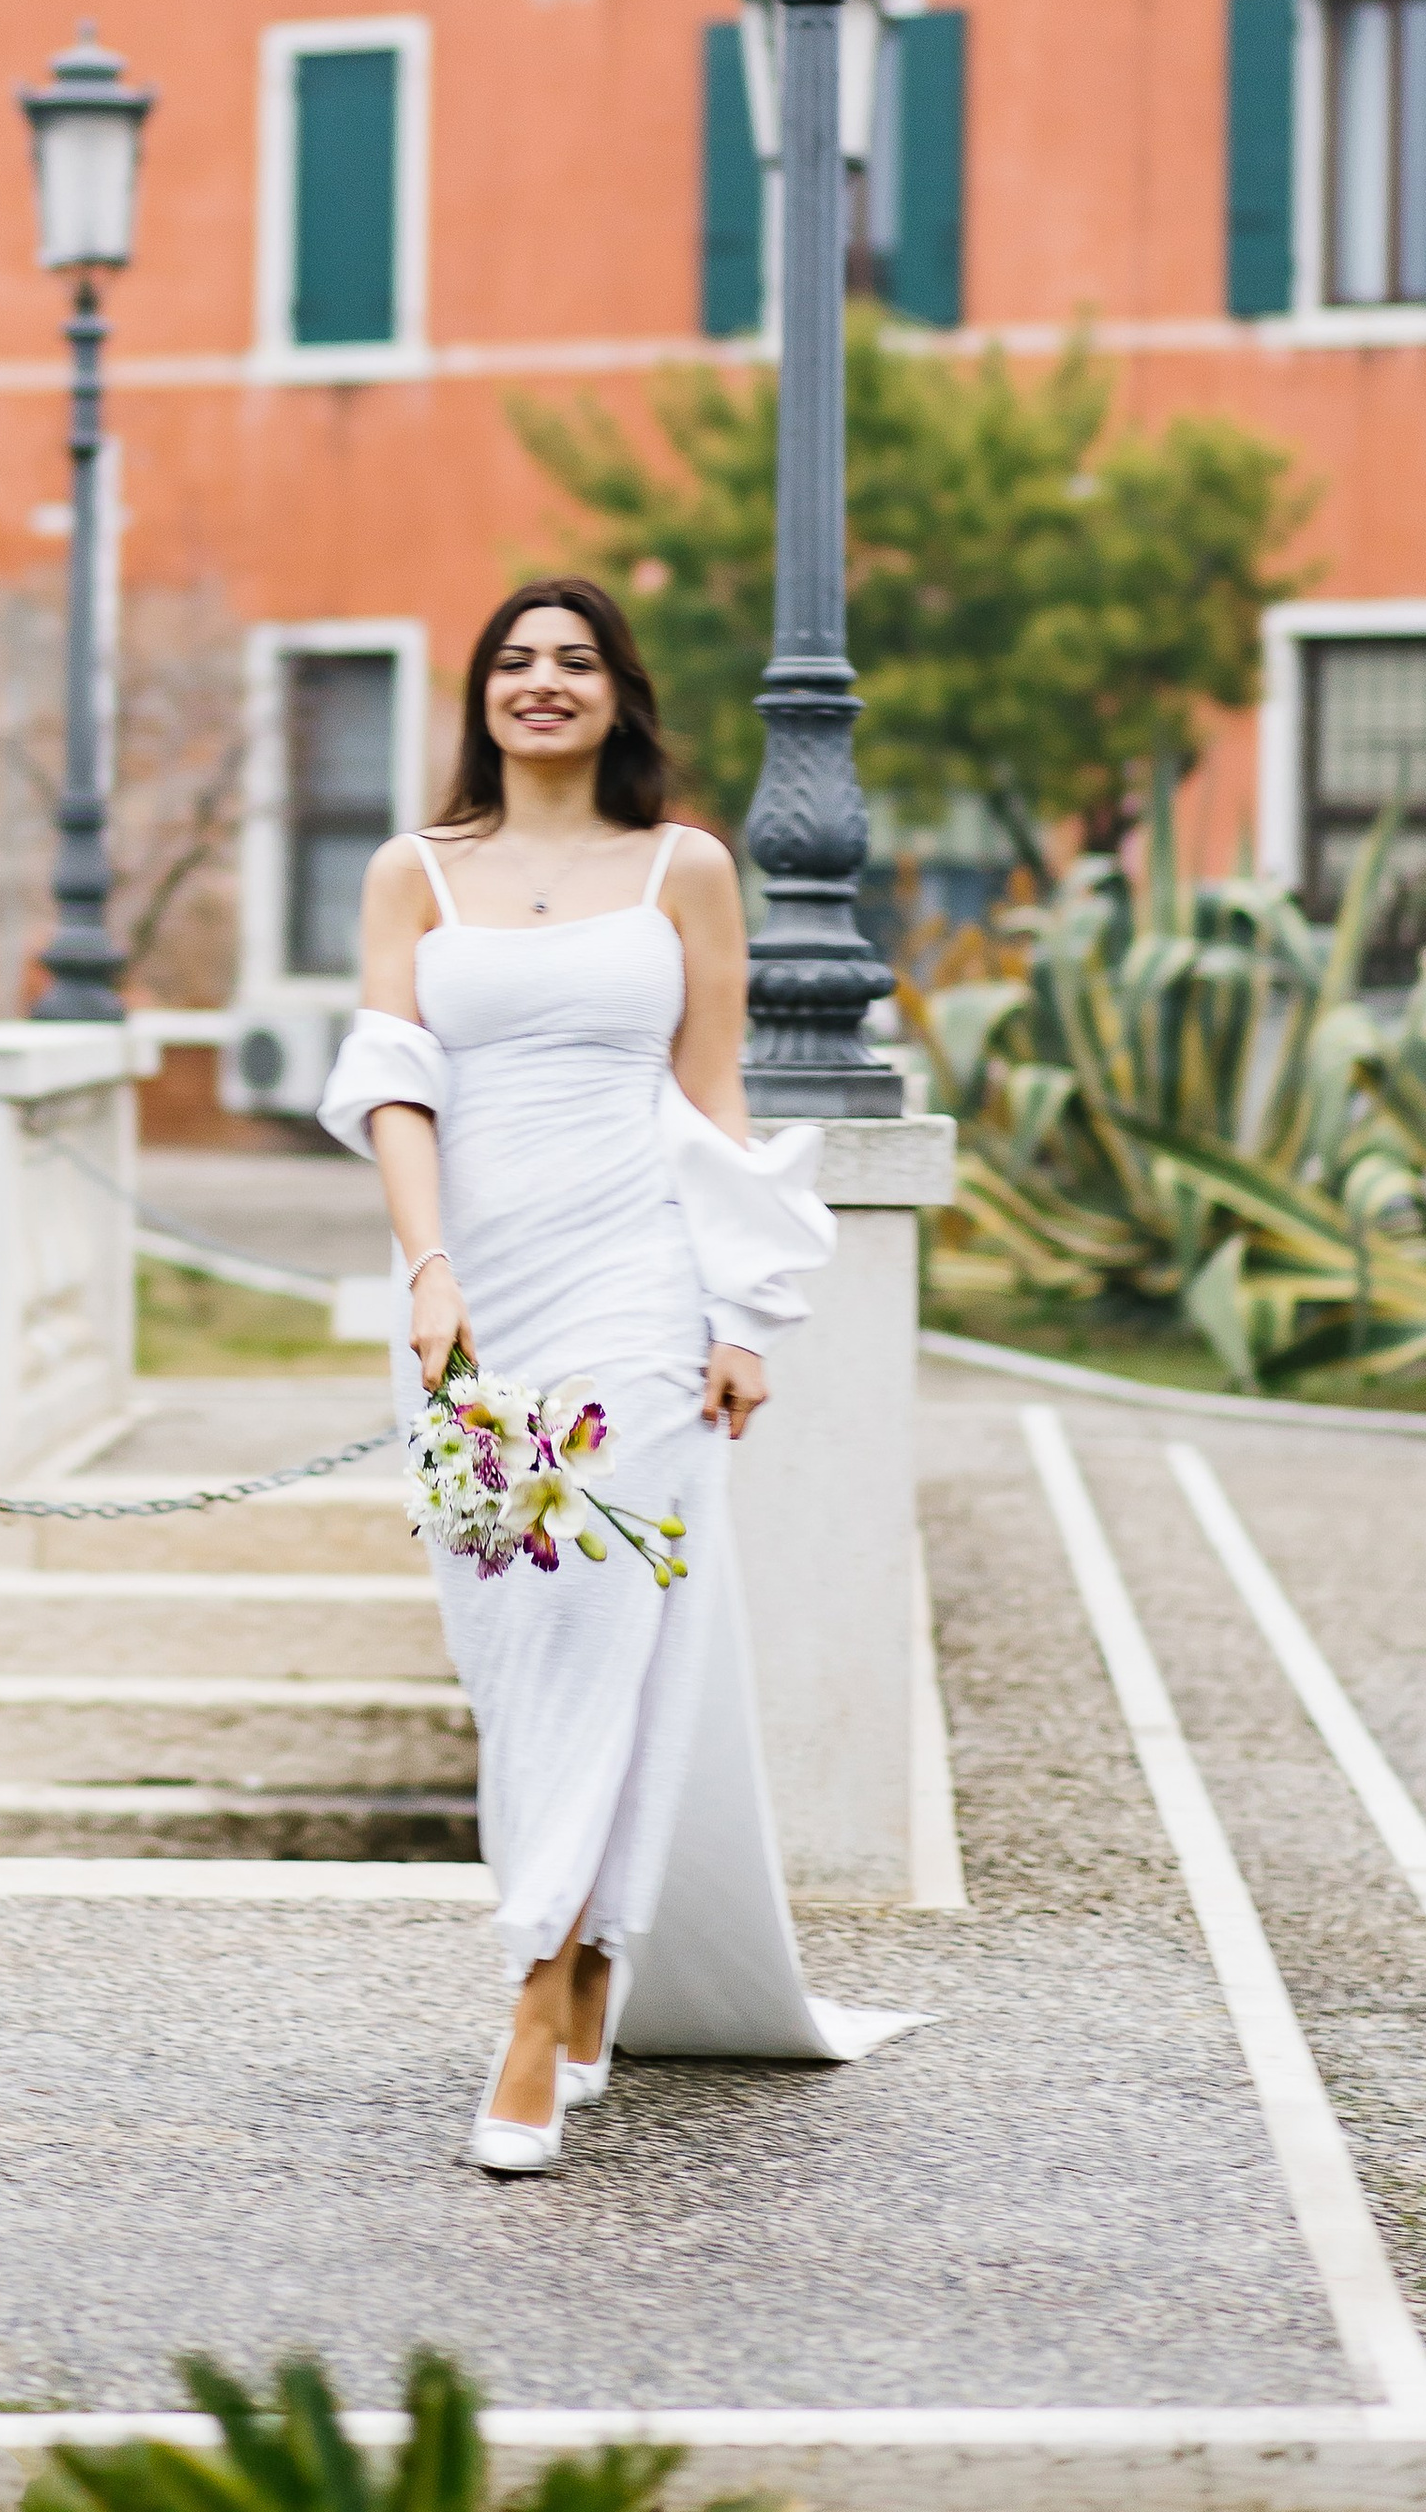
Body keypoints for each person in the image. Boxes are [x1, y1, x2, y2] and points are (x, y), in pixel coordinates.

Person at [318, 576, 919, 2176]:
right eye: (514, 658)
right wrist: (428, 1272)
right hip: (471, 1297)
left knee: (597, 1618)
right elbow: (393, 1082)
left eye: (575, 661)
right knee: (513, 1639)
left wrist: (741, 1316)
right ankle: (592, 1941)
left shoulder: (687, 868)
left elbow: (710, 1092)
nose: (542, 682)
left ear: (618, 695)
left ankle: (531, 1995)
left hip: (635, 1288)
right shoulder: (412, 874)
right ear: (481, 694)